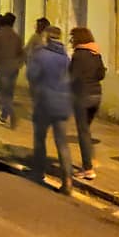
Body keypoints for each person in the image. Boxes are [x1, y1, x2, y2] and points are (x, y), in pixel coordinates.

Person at [27, 26, 74, 195]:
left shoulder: (40, 55)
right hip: (62, 103)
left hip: (44, 103)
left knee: (40, 139)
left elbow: (31, 75)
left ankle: (38, 172)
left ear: (47, 37)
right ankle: (67, 181)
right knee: (62, 142)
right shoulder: (65, 57)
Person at [69, 27, 107, 180]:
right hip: (96, 96)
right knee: (86, 130)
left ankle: (88, 169)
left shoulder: (78, 55)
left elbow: (72, 77)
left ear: (78, 38)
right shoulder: (95, 53)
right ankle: (91, 159)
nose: (71, 41)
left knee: (83, 132)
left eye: (72, 38)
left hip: (82, 97)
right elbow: (101, 74)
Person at [0, 13, 24, 126]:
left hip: (2, 67)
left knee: (3, 93)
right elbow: (21, 53)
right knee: (9, 92)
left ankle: (8, 113)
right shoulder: (16, 36)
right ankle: (5, 114)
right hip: (13, 68)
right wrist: (19, 64)